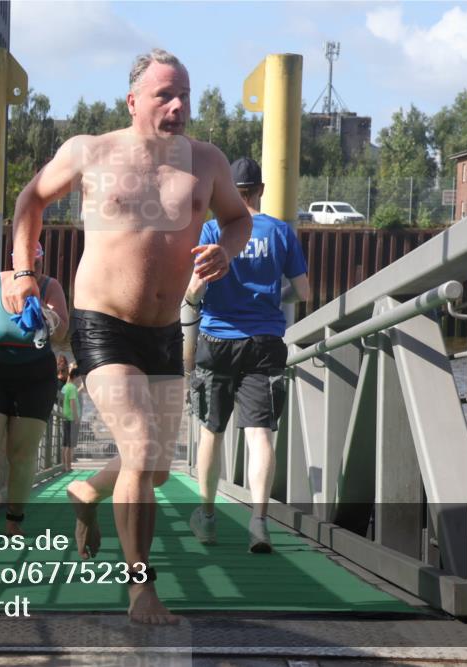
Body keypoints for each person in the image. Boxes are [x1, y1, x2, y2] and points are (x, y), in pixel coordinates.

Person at [4, 48, 251, 624]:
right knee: (140, 449)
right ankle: (141, 587)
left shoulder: (207, 163)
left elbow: (238, 219)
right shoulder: (91, 151)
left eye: (185, 93)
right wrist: (23, 273)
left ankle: (88, 491)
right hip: (102, 324)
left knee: (156, 468)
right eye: (166, 94)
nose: (179, 105)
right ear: (133, 100)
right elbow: (30, 200)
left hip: (164, 331)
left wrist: (227, 249)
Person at [184, 158, 310, 553]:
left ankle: (206, 518)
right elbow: (304, 293)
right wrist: (272, 296)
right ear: (260, 189)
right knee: (260, 435)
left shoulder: (211, 230)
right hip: (265, 340)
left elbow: (192, 293)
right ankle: (259, 523)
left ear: (228, 192)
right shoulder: (281, 232)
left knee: (212, 432)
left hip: (217, 339)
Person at [0, 242, 69, 536]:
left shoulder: (50, 287)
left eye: (38, 266)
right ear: (15, 265)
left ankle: (14, 517)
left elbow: (61, 333)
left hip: (35, 376)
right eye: (27, 267)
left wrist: (45, 315)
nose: (33, 272)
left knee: (21, 453)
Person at [58, 364, 80, 471]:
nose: (80, 380)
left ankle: (64, 466)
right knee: (70, 445)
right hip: (71, 418)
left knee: (65, 443)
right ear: (75, 376)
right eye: (79, 377)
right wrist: (76, 417)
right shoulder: (72, 388)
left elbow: (62, 401)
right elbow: (73, 404)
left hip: (65, 416)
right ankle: (69, 466)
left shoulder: (65, 387)